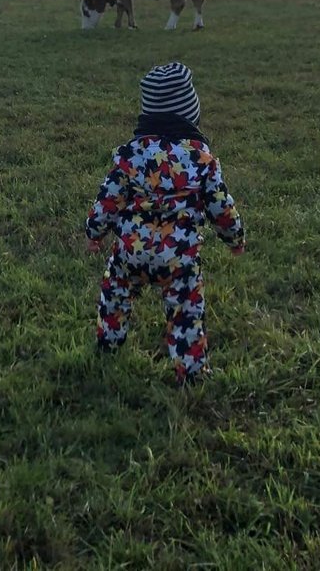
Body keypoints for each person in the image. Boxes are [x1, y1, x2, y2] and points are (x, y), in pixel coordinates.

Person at [84, 62, 244, 385]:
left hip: (131, 252)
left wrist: (94, 232)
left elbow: (108, 199)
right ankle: (192, 373)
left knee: (115, 294)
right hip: (179, 259)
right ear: (190, 113)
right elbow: (220, 207)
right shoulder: (202, 160)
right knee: (186, 313)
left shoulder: (130, 154)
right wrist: (234, 237)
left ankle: (108, 343)